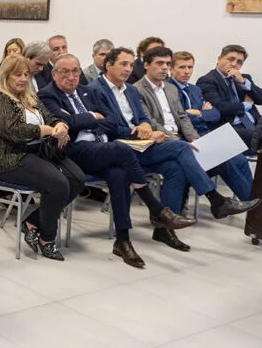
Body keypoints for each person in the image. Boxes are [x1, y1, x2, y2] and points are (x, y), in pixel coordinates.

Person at [92, 47, 257, 251]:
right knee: (181, 149)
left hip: (154, 143)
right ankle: (216, 200)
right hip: (127, 147)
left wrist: (194, 139)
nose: (164, 68)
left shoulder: (138, 90)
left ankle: (164, 230)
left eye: (167, 64)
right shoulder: (108, 89)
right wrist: (147, 130)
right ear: (145, 65)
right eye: (160, 64)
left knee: (183, 166)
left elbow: (176, 117)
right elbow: (114, 124)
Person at [40, 54, 196, 268]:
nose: (71, 76)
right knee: (122, 149)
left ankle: (122, 240)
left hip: (101, 148)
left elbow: (111, 121)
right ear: (54, 73)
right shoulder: (47, 94)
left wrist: (88, 121)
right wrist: (93, 117)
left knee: (119, 174)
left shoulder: (87, 91)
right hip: (75, 152)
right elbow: (67, 123)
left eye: (75, 71)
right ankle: (157, 209)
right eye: (65, 72)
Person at [0, 55, 85, 260]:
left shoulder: (29, 96)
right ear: (5, 76)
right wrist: (45, 130)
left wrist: (61, 125)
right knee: (58, 183)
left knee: (77, 179)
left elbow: (51, 116)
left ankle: (32, 222)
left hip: (36, 152)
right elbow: (12, 131)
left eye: (26, 74)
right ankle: (48, 238)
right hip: (6, 156)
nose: (23, 79)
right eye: (17, 74)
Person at [169, 51, 254, 200]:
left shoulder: (194, 89)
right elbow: (178, 119)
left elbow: (215, 115)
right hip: (186, 141)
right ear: (171, 68)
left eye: (190, 67)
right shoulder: (167, 89)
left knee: (239, 158)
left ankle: (255, 203)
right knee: (226, 159)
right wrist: (199, 112)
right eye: (182, 67)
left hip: (205, 136)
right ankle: (256, 209)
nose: (187, 71)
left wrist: (199, 113)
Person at [196, 44, 262, 150]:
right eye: (231, 59)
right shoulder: (206, 80)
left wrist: (243, 82)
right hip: (230, 128)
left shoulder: (244, 78)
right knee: (256, 137)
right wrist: (247, 105)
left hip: (255, 124)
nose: (234, 64)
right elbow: (221, 107)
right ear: (219, 59)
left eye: (239, 62)